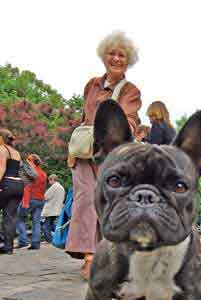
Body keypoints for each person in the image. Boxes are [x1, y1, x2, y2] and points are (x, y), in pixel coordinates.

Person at [66, 30, 142, 280]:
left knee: (109, 202)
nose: (116, 58)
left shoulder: (130, 90)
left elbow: (130, 120)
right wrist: (72, 148)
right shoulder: (92, 84)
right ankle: (89, 256)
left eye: (121, 55)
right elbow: (83, 118)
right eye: (112, 53)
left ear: (128, 59)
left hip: (111, 154)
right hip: (85, 151)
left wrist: (121, 133)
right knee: (85, 199)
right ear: (104, 56)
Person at [0, 129, 24, 254]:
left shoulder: (3, 149)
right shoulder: (16, 152)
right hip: (19, 185)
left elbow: (2, 168)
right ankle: (8, 248)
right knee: (10, 217)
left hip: (7, 184)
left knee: (8, 216)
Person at [16, 154, 47, 250]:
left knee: (19, 219)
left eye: (28, 160)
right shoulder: (43, 173)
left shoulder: (30, 172)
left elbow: (27, 187)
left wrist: (25, 202)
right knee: (36, 222)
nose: (27, 161)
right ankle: (35, 244)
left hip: (30, 199)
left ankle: (23, 241)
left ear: (32, 161)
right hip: (40, 200)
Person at [41, 174, 65, 243]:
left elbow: (46, 196)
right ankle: (59, 238)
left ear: (52, 180)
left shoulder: (54, 186)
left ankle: (49, 240)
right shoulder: (61, 187)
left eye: (49, 181)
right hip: (57, 209)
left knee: (45, 226)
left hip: (50, 210)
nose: (49, 183)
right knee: (53, 225)